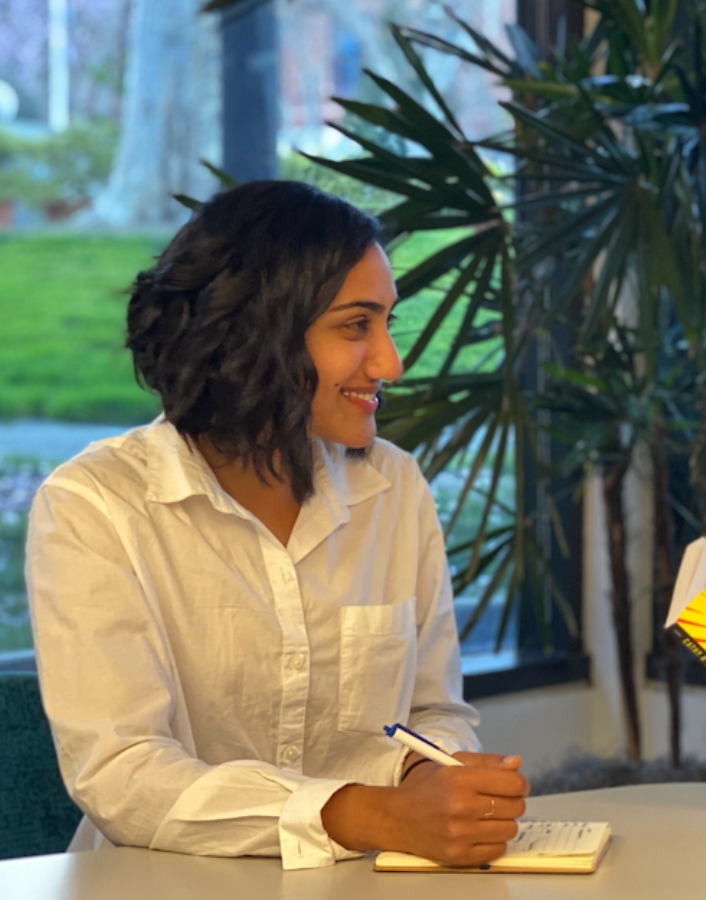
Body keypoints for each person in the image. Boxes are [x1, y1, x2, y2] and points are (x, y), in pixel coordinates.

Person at [27, 180, 529, 870]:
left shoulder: (395, 488)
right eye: (357, 326)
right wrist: (370, 813)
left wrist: (436, 782)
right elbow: (122, 774)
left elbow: (432, 711)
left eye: (387, 324)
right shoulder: (95, 505)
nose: (391, 362)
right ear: (257, 332)